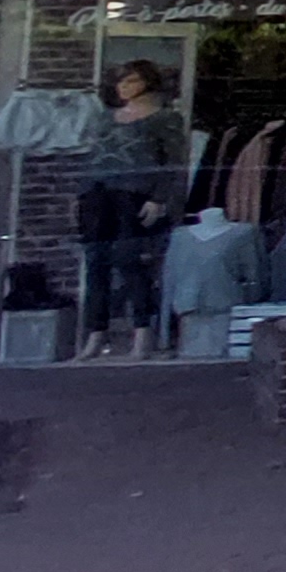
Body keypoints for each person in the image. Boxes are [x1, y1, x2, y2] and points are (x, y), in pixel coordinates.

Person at [79, 63, 186, 356]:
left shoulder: (165, 118)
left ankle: (142, 332)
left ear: (147, 83)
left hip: (135, 193)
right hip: (97, 193)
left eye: (131, 81)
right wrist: (81, 193)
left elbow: (174, 162)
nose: (123, 87)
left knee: (131, 261)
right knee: (96, 262)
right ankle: (96, 334)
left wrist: (159, 198)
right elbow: (92, 155)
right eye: (120, 81)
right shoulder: (106, 117)